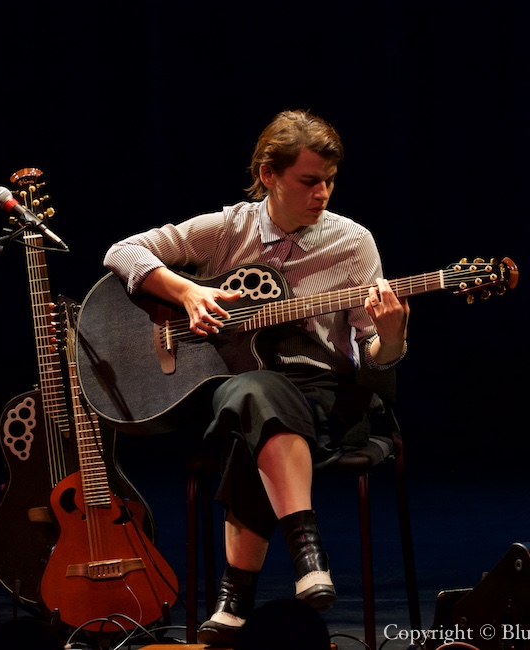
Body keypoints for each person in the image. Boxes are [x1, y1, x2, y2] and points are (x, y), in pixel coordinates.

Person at [102, 109, 410, 646]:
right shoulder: (228, 229)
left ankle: (236, 596)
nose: (323, 194)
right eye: (309, 181)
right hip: (236, 387)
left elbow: (371, 356)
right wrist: (187, 293)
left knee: (250, 407)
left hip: (324, 395)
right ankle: (306, 554)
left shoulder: (354, 243)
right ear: (269, 175)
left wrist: (394, 336)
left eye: (330, 182)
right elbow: (121, 251)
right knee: (249, 391)